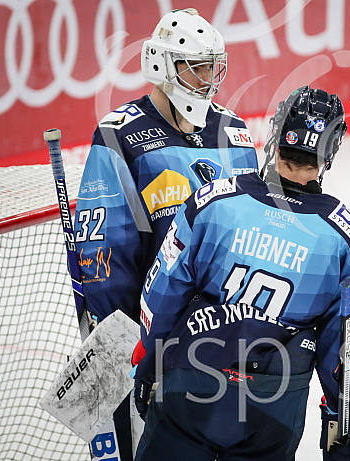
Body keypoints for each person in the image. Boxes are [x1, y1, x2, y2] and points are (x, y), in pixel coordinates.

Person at [132, 86, 350, 461]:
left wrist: (147, 365)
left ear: (277, 131)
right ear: (331, 150)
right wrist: (347, 418)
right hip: (273, 405)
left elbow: (163, 295)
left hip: (190, 382)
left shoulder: (212, 200)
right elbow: (345, 349)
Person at [74, 8, 258, 460]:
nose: (208, 79)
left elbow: (251, 234)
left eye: (214, 67)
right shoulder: (120, 136)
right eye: (196, 67)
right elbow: (102, 255)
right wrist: (129, 340)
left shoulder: (235, 133)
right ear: (161, 65)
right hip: (149, 343)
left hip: (218, 341)